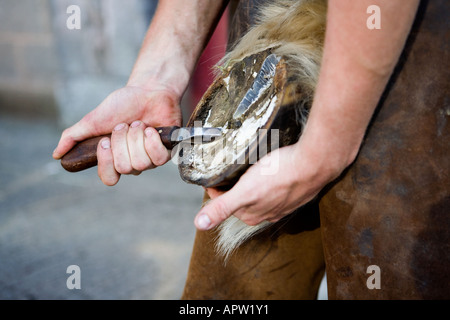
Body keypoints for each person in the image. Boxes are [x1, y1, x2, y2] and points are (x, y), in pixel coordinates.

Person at [54, 0, 434, 299]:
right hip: (267, 42)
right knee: (229, 292)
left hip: (407, 52)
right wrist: (157, 79)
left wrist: (323, 151)